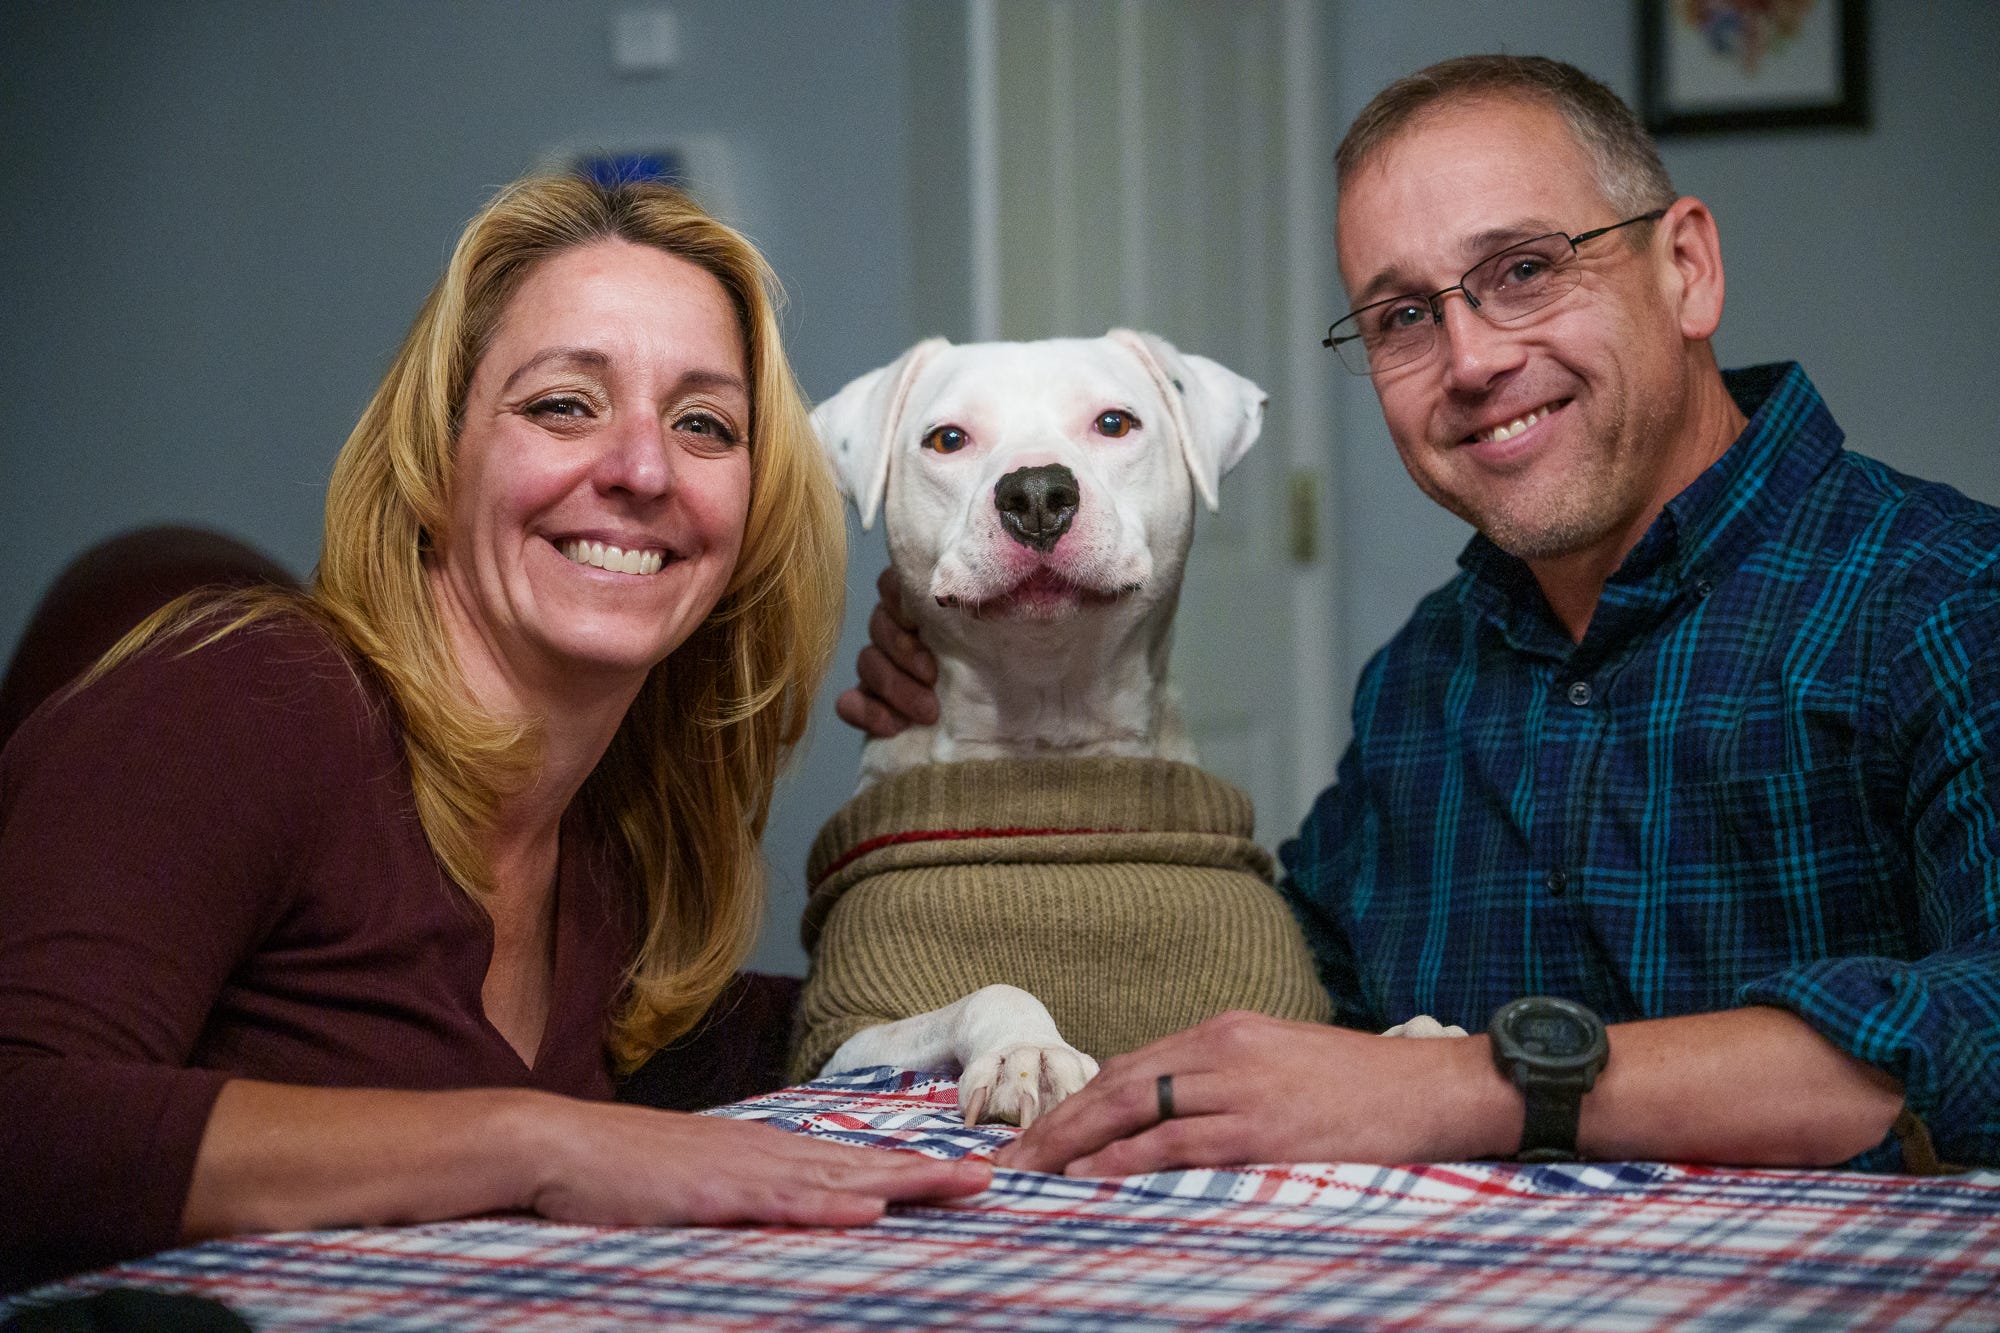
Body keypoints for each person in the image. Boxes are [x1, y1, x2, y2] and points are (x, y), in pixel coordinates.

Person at [839, 55, 2000, 1178]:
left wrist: (1475, 1087)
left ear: (1685, 266)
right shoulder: (1423, 674)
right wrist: (999, 702)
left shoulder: (1945, 601)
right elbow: (1287, 995)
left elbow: (1985, 1024)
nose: (1470, 358)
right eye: (1399, 316)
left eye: (1524, 270)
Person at [0, 174, 989, 1291]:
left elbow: (769, 1045)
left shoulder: (612, 833)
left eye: (703, 423)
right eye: (564, 403)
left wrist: (958, 768)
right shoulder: (244, 698)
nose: (642, 468)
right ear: (436, 459)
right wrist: (535, 1144)